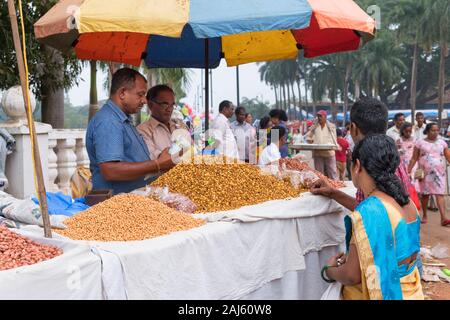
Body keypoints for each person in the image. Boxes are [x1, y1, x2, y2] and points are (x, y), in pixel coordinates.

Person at [323, 134, 423, 300]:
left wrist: (328, 270)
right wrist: (334, 193)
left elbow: (351, 275)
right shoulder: (407, 203)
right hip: (412, 292)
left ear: (357, 166)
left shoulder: (370, 211)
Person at [311, 98, 415, 212]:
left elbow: (368, 213)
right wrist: (332, 192)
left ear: (353, 128)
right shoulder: (393, 158)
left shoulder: (366, 167)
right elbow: (366, 207)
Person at [86, 68, 175, 195]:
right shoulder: (109, 121)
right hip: (116, 204)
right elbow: (110, 170)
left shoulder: (122, 119)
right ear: (122, 93)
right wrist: (157, 164)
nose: (144, 100)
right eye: (140, 94)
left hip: (132, 200)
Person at [408, 123, 450, 226]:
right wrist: (408, 170)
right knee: (425, 195)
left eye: (437, 130)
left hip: (439, 174)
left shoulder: (442, 143)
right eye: (433, 130)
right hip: (425, 174)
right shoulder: (420, 143)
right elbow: (414, 158)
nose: (435, 132)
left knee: (440, 194)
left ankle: (443, 218)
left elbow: (448, 156)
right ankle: (425, 215)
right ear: (427, 131)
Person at [137, 85, 189, 160]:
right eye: (165, 104)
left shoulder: (179, 126)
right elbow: (161, 161)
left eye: (172, 105)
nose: (169, 109)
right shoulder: (142, 131)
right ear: (151, 105)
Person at [306, 110, 338, 180]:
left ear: (325, 117)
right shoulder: (314, 126)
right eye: (318, 116)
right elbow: (308, 138)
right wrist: (310, 139)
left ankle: (335, 188)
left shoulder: (331, 126)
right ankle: (321, 188)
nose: (319, 118)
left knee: (332, 173)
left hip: (329, 153)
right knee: (319, 174)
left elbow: (334, 139)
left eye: (320, 116)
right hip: (318, 153)